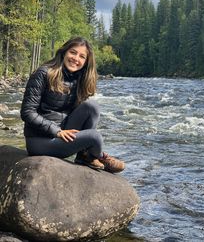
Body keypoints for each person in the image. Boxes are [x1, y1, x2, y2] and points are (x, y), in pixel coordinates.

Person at [20, 36, 125, 173]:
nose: (76, 59)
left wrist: (62, 131)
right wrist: (56, 131)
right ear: (64, 52)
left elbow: (79, 112)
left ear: (86, 62)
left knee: (92, 107)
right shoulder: (43, 73)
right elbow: (27, 112)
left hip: (63, 132)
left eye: (82, 56)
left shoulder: (78, 79)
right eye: (73, 52)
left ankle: (85, 156)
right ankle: (98, 156)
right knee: (94, 137)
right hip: (40, 140)